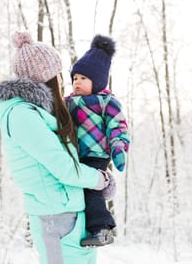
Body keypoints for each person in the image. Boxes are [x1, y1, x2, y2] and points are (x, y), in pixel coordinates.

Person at [0, 32, 114, 264]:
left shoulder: (40, 114)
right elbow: (63, 168)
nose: (64, 81)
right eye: (59, 75)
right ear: (49, 77)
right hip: (57, 216)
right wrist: (100, 180)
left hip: (70, 213)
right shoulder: (22, 116)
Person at [65, 35, 130, 247]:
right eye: (75, 78)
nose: (77, 82)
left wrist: (118, 150)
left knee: (91, 190)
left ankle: (102, 229)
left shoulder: (106, 102)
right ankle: (83, 227)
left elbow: (118, 127)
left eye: (83, 78)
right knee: (78, 192)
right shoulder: (69, 102)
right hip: (75, 155)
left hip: (96, 154)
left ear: (98, 81)